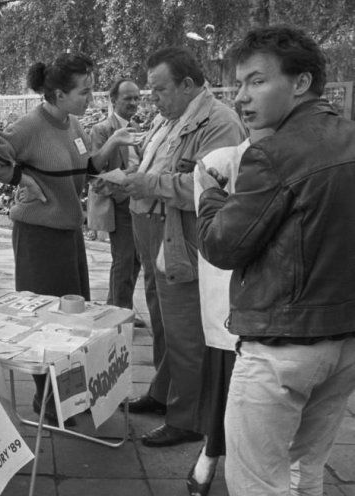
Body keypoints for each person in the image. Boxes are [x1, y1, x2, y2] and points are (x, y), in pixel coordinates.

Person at [197, 26, 355, 495]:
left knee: (256, 481)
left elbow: (223, 246)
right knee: (303, 471)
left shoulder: (271, 154)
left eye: (256, 81)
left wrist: (209, 196)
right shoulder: (348, 137)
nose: (241, 96)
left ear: (301, 83)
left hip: (281, 347)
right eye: (238, 83)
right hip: (343, 341)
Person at [0, 54, 135, 420]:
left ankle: (68, 396)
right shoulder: (29, 126)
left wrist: (114, 144)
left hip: (68, 234)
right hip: (38, 237)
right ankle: (45, 400)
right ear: (59, 94)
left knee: (74, 319)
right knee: (44, 322)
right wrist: (21, 179)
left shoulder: (72, 124)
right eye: (84, 91)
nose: (90, 99)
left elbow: (86, 166)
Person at [121, 47, 244, 447]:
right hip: (154, 231)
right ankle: (163, 392)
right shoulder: (170, 118)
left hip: (182, 239)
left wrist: (148, 184)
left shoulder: (219, 123)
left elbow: (210, 189)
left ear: (188, 85)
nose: (152, 98)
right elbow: (156, 167)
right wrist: (129, 176)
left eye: (159, 89)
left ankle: (189, 417)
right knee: (163, 322)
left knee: (187, 329)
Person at [187, 110, 272, 496]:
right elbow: (220, 240)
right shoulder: (221, 163)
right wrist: (210, 193)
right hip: (233, 300)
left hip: (285, 310)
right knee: (226, 380)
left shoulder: (310, 159)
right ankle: (211, 451)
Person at [86, 78, 144, 319]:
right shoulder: (102, 130)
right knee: (123, 261)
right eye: (128, 98)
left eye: (136, 98)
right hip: (120, 204)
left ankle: (121, 310)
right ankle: (118, 315)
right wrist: (123, 192)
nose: (134, 103)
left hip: (140, 201)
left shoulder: (137, 127)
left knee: (136, 262)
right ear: (113, 100)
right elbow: (94, 175)